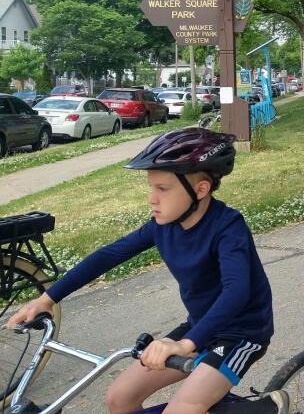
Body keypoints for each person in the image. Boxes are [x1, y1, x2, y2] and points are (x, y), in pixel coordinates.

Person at [6, 128, 286, 414]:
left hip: (240, 334)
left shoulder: (228, 228)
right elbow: (108, 256)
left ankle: (262, 409)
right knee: (119, 397)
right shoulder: (162, 227)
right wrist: (47, 299)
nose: (152, 198)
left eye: (163, 189)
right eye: (151, 187)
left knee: (183, 408)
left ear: (201, 190)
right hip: (199, 326)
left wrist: (186, 344)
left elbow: (236, 291)